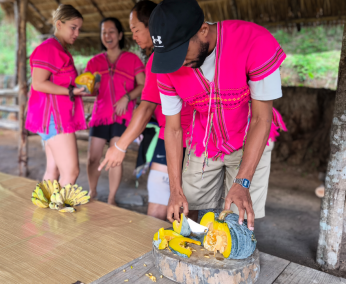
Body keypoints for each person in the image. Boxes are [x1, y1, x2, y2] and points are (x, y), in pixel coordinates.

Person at [149, 0, 288, 229]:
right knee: (188, 213)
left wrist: (242, 182)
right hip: (205, 141)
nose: (179, 64)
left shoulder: (255, 42)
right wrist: (175, 189)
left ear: (203, 30)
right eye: (170, 56)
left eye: (181, 53)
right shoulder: (166, 65)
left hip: (250, 136)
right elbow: (173, 128)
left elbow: (261, 118)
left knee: (238, 221)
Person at [98, 0, 193, 220]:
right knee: (169, 206)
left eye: (136, 29)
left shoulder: (160, 59)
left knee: (176, 210)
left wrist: (120, 146)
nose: (133, 36)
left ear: (154, 26)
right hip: (170, 134)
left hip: (187, 137)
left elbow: (147, 105)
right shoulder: (168, 55)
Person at [25, 4, 88, 187]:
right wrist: (70, 91)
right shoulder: (49, 48)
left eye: (79, 29)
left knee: (53, 169)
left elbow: (58, 81)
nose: (76, 33)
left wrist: (78, 87)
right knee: (71, 171)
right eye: (73, 27)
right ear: (59, 24)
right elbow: (38, 83)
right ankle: (59, 213)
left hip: (54, 115)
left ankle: (45, 211)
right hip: (54, 117)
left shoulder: (60, 49)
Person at [85, 17, 145, 205]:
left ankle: (111, 198)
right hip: (100, 116)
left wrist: (127, 97)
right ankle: (92, 191)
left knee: (115, 157)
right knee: (93, 157)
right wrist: (90, 89)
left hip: (123, 117)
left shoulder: (132, 59)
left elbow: (143, 85)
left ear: (119, 35)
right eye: (104, 32)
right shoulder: (94, 62)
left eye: (111, 31)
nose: (107, 36)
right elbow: (90, 91)